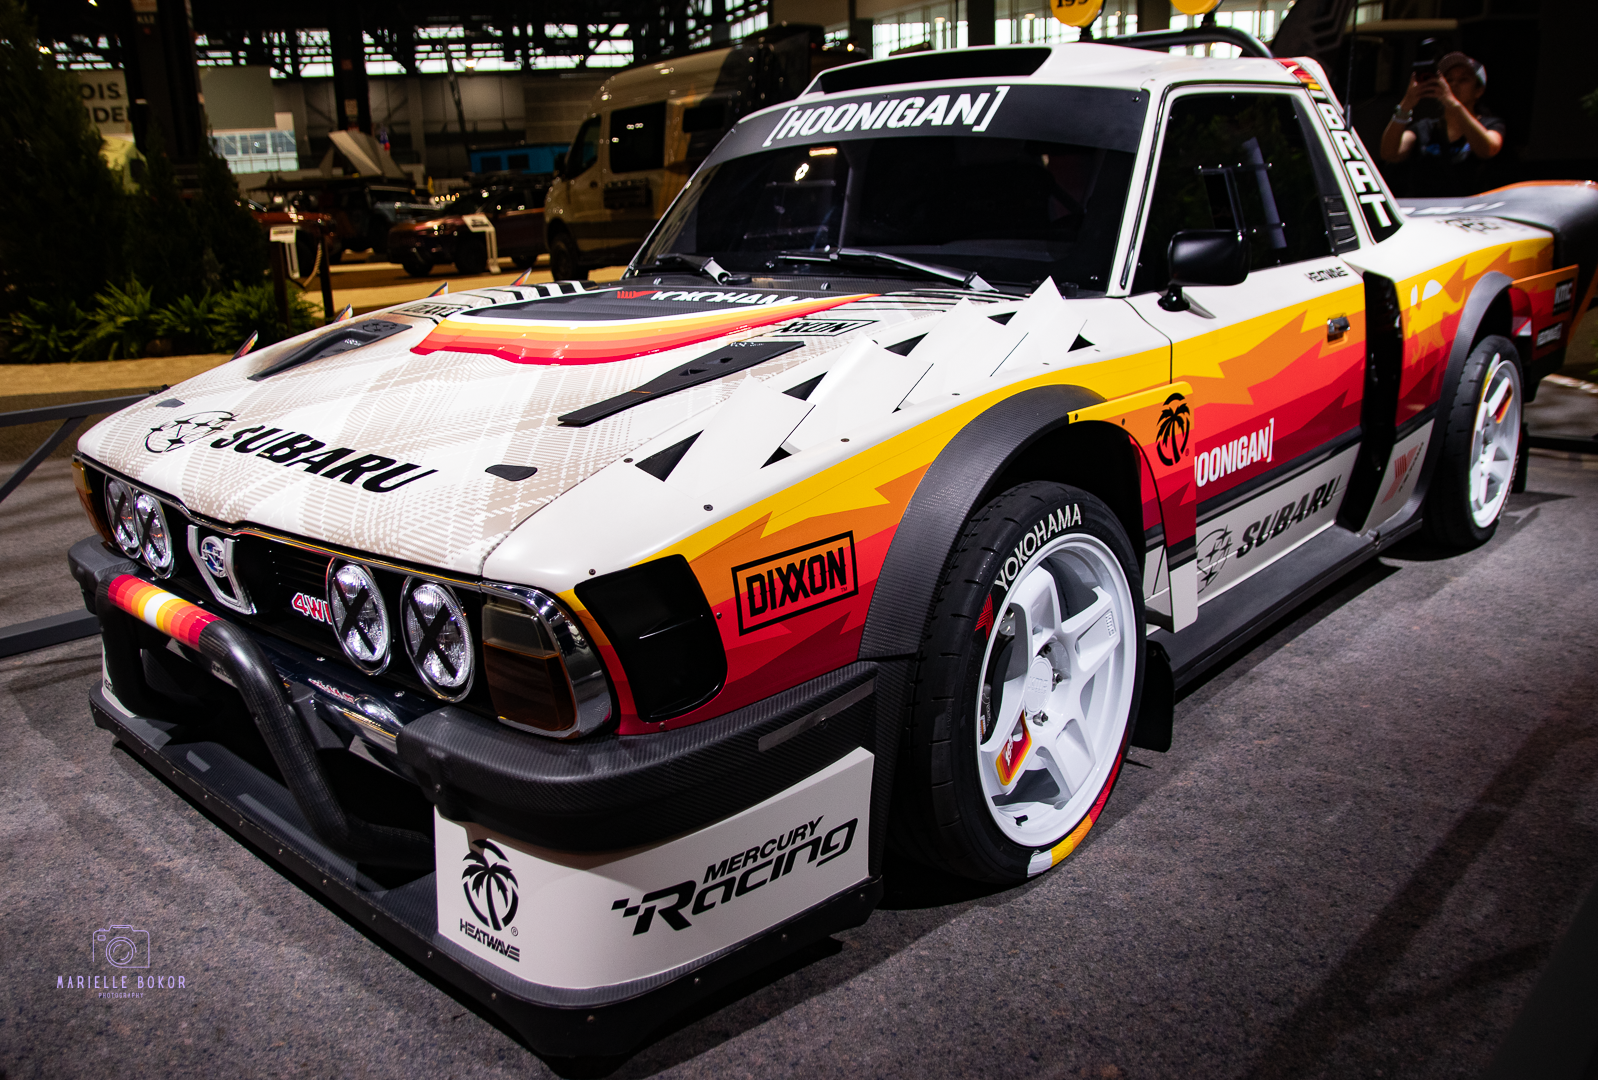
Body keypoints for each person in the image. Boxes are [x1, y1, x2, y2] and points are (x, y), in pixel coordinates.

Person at [1379, 51, 1505, 197]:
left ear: (1479, 90)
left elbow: (1488, 149)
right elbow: (1389, 153)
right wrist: (1407, 103)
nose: (1453, 85)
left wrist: (1454, 104)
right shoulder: (1424, 128)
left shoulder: (1490, 125)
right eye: (1448, 79)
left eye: (1463, 80)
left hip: (1470, 208)